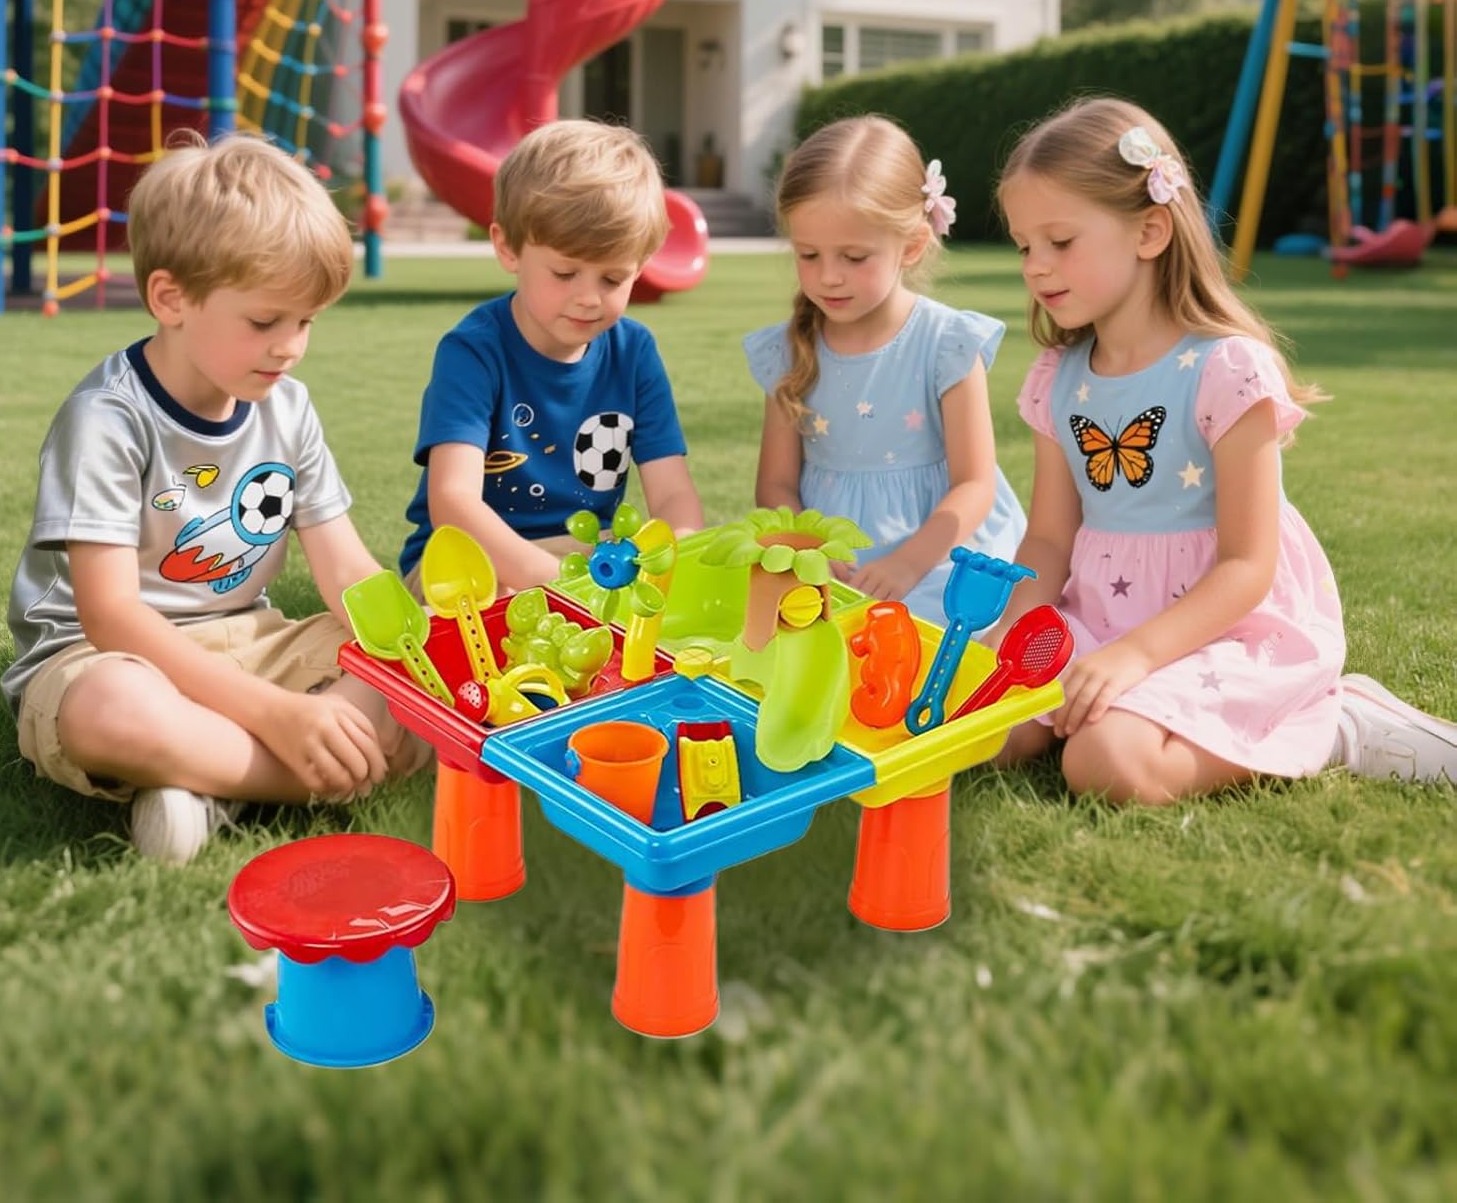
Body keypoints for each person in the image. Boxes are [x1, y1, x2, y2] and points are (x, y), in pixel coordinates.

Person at [994, 95, 1457, 800]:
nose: (1035, 266)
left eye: (1060, 242)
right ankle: (1109, 695)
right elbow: (1050, 538)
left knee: (1105, 762)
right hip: (1100, 619)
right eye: (1025, 246)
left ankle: (1335, 724)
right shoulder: (1057, 380)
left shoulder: (1227, 370)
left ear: (1150, 231)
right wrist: (1014, 632)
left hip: (1226, 630)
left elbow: (1248, 565)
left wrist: (1136, 656)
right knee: (990, 731)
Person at [2, 132, 429, 864]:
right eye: (265, 322)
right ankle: (308, 767)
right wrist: (277, 714)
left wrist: (423, 649)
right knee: (111, 713)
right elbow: (110, 616)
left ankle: (213, 785)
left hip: (250, 638)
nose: (290, 346)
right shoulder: (107, 420)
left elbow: (346, 571)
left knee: (413, 670)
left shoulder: (288, 406)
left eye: (305, 322)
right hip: (106, 657)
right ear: (171, 298)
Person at [401, 120, 703, 594]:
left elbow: (672, 494)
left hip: (588, 560)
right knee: (494, 611)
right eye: (565, 273)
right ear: (508, 248)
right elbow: (453, 502)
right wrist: (552, 582)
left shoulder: (634, 352)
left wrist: (676, 557)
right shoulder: (473, 351)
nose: (589, 298)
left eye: (612, 279)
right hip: (470, 560)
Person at [744, 115, 1025, 625]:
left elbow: (975, 485)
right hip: (829, 563)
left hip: (938, 555)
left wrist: (908, 564)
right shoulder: (788, 352)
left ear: (911, 246)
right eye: (809, 255)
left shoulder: (946, 344)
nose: (829, 276)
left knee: (929, 636)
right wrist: (810, 548)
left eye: (854, 257)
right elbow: (775, 486)